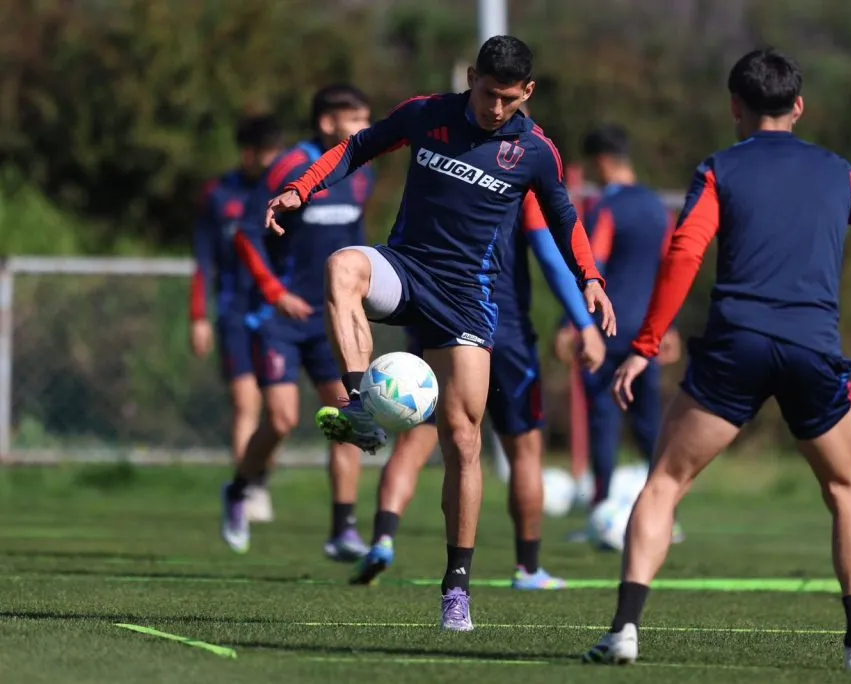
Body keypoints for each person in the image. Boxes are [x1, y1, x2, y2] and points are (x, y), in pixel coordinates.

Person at [581, 48, 851, 672]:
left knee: (665, 483)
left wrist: (645, 346)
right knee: (846, 492)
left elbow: (684, 252)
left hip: (736, 347)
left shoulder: (719, 169)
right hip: (812, 349)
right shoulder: (838, 173)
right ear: (798, 106)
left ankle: (625, 631)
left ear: (735, 106)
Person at [261, 35, 614, 631]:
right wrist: (302, 186)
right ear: (471, 77)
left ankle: (456, 588)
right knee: (342, 266)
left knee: (462, 438)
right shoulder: (427, 114)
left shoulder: (535, 152)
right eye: (487, 93)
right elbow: (356, 147)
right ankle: (360, 405)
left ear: (527, 92)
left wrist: (591, 278)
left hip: (467, 300)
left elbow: (563, 217)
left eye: (508, 99)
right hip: (406, 269)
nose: (495, 108)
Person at [350, 188, 606, 590]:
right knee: (524, 450)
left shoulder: (445, 177)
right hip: (505, 334)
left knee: (414, 440)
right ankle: (528, 569)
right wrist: (583, 323)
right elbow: (551, 257)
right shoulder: (520, 182)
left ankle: (383, 539)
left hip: (439, 325)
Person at [220, 84, 377, 561]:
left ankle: (343, 530)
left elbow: (356, 240)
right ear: (328, 122)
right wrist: (276, 293)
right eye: (357, 120)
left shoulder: (361, 172)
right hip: (281, 319)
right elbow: (247, 233)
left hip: (330, 319)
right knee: (282, 419)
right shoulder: (292, 166)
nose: (366, 128)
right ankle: (239, 489)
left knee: (349, 415)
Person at [555, 125, 682, 545]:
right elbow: (670, 271)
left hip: (607, 332)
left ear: (602, 162)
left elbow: (592, 267)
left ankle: (600, 513)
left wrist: (570, 324)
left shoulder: (606, 208)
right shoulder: (658, 209)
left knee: (604, 421)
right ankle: (668, 517)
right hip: (647, 335)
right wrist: (669, 326)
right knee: (649, 425)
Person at [190, 114, 284, 523]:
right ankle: (248, 489)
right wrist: (199, 316)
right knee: (246, 404)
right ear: (248, 153)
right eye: (266, 152)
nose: (273, 160)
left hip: (276, 314)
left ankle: (259, 478)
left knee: (278, 411)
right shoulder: (218, 195)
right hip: (234, 312)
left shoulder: (287, 193)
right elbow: (203, 260)